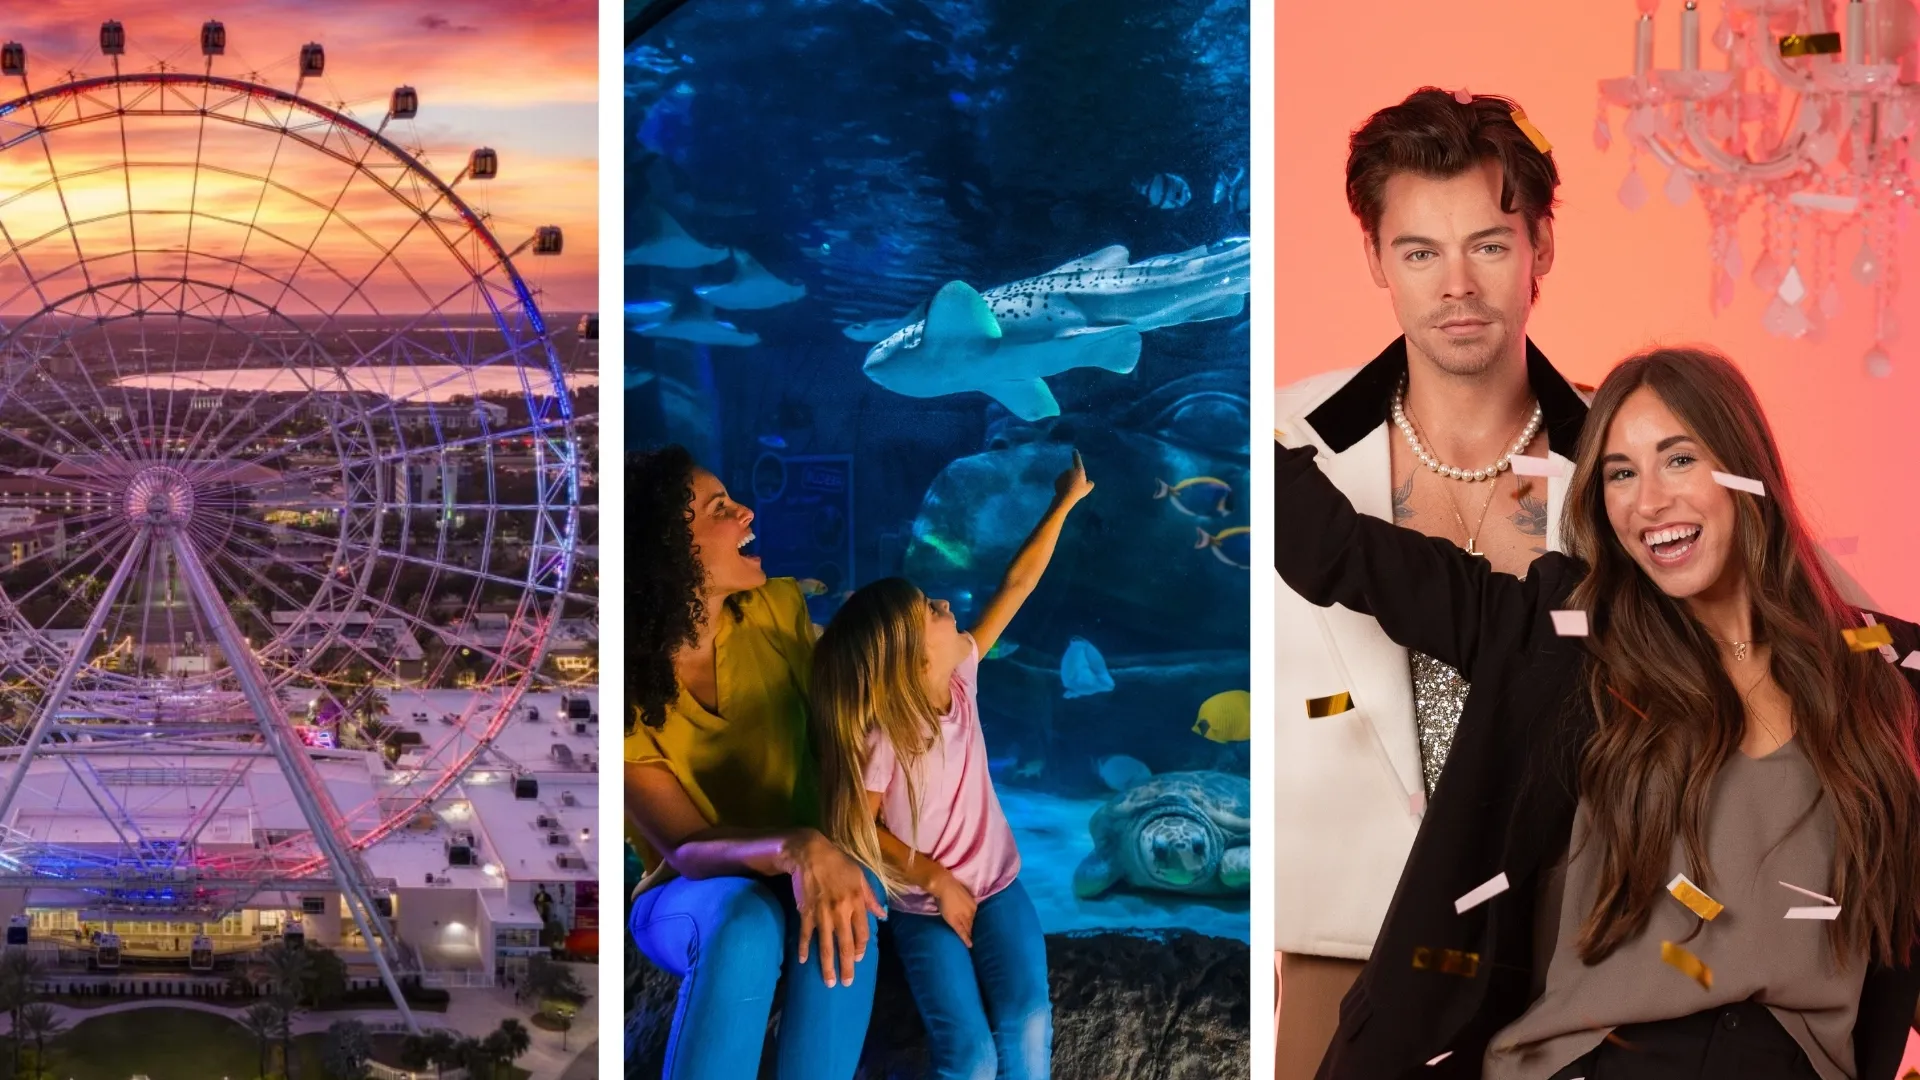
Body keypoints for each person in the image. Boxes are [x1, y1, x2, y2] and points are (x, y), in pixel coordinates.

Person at [1276, 347, 1920, 1079]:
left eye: (1678, 460)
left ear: (1747, 472)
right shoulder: (1564, 640)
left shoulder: (1882, 672)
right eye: (1620, 473)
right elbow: (1327, 545)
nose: (1649, 501)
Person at [1272, 87, 1590, 1078]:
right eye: (1420, 251)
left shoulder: (1639, 460)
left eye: (1489, 245)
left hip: (1565, 971)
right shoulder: (1274, 450)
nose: (1457, 284)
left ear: (1540, 248)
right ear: (1374, 258)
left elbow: (1815, 630)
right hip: (1339, 950)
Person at [808, 451, 1093, 1080]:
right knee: (969, 1055)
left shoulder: (959, 673)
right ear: (908, 656)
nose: (943, 603)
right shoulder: (882, 734)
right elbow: (855, 829)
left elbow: (1015, 585)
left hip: (999, 886)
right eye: (929, 611)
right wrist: (935, 879)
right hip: (921, 907)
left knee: (1028, 1022)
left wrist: (1064, 503)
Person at [627, 445, 886, 1080]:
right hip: (686, 893)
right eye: (720, 509)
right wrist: (796, 847)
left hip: (811, 865)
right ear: (669, 549)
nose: (746, 510)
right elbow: (686, 849)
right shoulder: (625, 692)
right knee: (745, 925)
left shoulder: (776, 608)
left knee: (855, 894)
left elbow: (845, 740)